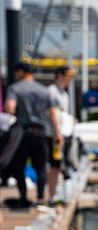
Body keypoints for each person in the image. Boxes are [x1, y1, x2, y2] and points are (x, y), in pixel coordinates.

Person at [4, 62, 62, 207]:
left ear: (21, 72)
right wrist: (57, 133)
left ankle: (23, 197)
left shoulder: (14, 88)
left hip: (21, 133)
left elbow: (10, 108)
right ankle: (41, 198)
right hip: (40, 132)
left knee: (18, 166)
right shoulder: (44, 90)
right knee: (41, 167)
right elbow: (53, 114)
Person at [46, 66, 76, 203]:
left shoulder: (64, 93)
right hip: (56, 135)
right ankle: (52, 196)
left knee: (65, 165)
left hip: (65, 133)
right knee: (55, 165)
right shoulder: (52, 91)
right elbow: (53, 113)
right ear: (58, 75)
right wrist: (57, 133)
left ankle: (61, 195)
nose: (69, 79)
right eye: (67, 75)